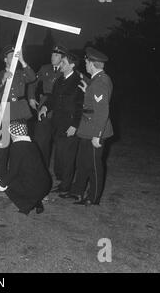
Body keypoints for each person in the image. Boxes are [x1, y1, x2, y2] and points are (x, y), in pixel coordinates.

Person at [59, 47, 113, 206]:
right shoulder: (97, 80)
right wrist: (87, 90)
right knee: (82, 162)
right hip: (87, 129)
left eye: (87, 62)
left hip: (95, 130)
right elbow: (94, 100)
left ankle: (93, 197)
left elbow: (102, 111)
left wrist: (98, 134)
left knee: (94, 166)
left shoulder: (100, 82)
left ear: (92, 64)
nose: (86, 65)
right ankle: (77, 192)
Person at [38, 52, 84, 193]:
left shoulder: (79, 82)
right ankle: (63, 181)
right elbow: (53, 98)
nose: (60, 64)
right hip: (57, 123)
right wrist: (45, 107)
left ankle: (66, 186)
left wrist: (75, 125)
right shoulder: (59, 80)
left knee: (68, 157)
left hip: (70, 125)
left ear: (72, 65)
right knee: (60, 155)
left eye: (63, 62)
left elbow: (81, 106)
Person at [0, 45, 36, 180]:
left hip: (19, 113)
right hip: (5, 113)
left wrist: (22, 60)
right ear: (5, 59)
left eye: (15, 55)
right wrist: (3, 80)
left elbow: (32, 78)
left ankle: (19, 174)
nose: (13, 57)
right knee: (4, 147)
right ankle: (1, 176)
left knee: (20, 147)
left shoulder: (21, 73)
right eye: (11, 56)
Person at [0, 120, 51, 215]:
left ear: (13, 134)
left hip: (34, 188)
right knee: (20, 179)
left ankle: (27, 204)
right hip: (45, 185)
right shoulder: (33, 144)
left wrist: (0, 184)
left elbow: (13, 171)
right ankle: (37, 201)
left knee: (4, 180)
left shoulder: (17, 147)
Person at [29, 44, 67, 168]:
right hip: (44, 108)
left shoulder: (67, 70)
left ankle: (60, 172)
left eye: (56, 55)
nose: (52, 57)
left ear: (63, 58)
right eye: (52, 54)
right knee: (41, 141)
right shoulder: (44, 68)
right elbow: (32, 82)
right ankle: (41, 167)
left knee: (61, 144)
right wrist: (31, 97)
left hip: (61, 109)